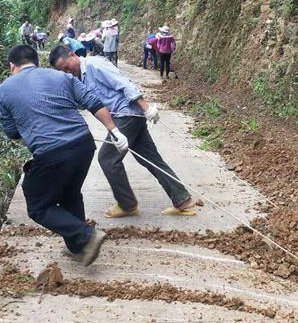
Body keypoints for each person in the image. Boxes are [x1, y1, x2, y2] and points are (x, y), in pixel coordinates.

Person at [0, 44, 129, 265]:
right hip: (84, 145)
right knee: (70, 194)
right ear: (36, 62)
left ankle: (87, 236)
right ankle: (79, 247)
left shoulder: (5, 89)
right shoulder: (62, 78)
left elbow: (12, 132)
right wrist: (114, 131)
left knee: (37, 203)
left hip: (51, 152)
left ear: (12, 66)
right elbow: (93, 102)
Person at [49, 44, 198, 218]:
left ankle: (127, 204)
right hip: (128, 116)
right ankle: (182, 199)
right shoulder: (80, 77)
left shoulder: (94, 65)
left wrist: (146, 108)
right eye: (63, 71)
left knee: (107, 158)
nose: (68, 72)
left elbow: (123, 83)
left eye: (67, 67)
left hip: (126, 115)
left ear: (73, 55)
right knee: (151, 158)